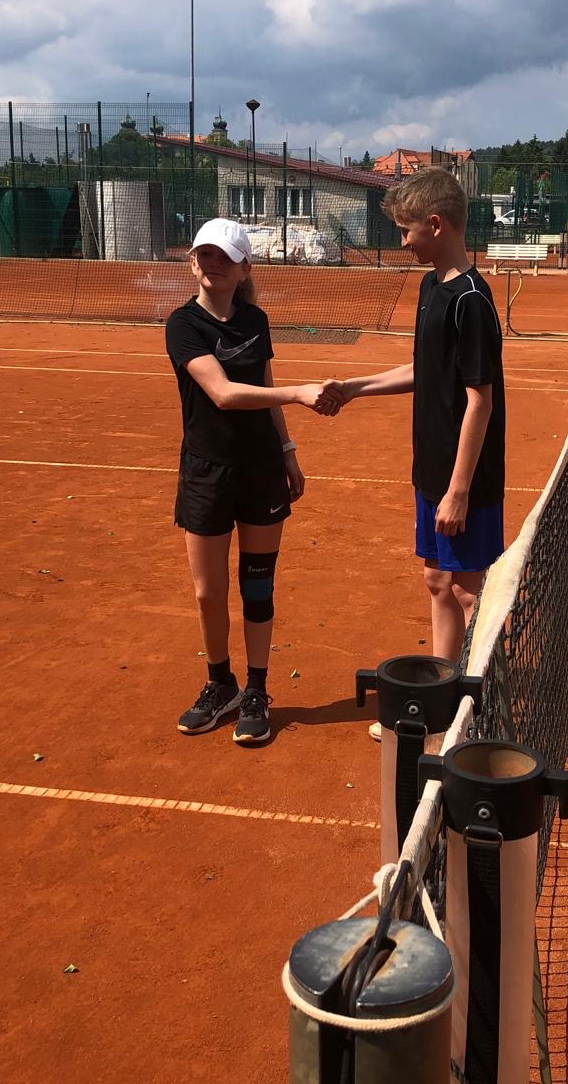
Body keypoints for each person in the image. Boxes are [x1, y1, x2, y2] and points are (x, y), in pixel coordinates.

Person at [322, 169, 506, 736]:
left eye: (407, 230)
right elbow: (423, 370)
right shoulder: (431, 287)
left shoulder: (471, 301)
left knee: (470, 592)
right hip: (430, 471)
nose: (402, 242)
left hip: (464, 481)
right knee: (437, 582)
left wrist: (459, 491)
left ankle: (490, 711)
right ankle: (443, 704)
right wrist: (355, 387)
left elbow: (480, 401)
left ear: (436, 224)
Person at [166, 218, 333, 745]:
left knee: (257, 587)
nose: (212, 263)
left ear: (244, 268)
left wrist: (288, 452)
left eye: (224, 256)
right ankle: (221, 683)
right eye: (204, 254)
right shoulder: (183, 324)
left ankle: (257, 689)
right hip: (207, 472)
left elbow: (261, 384)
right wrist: (299, 393)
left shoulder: (256, 320)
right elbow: (222, 393)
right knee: (207, 593)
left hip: (261, 470)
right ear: (192, 261)